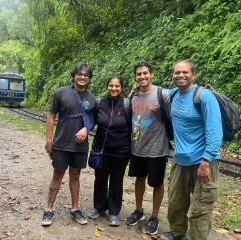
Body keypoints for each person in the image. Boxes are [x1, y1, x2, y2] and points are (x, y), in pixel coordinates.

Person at [160, 61, 222, 240]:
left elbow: (214, 130)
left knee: (201, 205)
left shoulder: (204, 97)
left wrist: (206, 160)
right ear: (173, 76)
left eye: (185, 72)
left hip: (203, 161)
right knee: (176, 200)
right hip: (180, 159)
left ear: (193, 75)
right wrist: (137, 86)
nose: (180, 75)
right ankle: (178, 232)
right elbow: (156, 90)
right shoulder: (173, 95)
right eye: (177, 73)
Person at [42, 63, 96, 226]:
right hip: (61, 143)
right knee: (57, 175)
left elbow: (93, 120)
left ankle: (75, 209)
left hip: (80, 146)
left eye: (86, 75)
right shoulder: (61, 93)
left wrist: (86, 130)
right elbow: (51, 116)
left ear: (89, 78)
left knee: (75, 176)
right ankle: (49, 209)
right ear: (74, 75)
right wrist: (49, 139)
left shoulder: (92, 98)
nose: (82, 77)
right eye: (79, 74)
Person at [126, 61, 171, 235]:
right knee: (139, 179)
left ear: (151, 74)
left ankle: (154, 216)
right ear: (135, 77)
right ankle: (138, 211)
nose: (142, 76)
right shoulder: (133, 95)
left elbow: (170, 118)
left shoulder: (162, 94)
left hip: (157, 149)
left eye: (145, 73)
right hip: (137, 148)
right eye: (139, 74)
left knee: (157, 183)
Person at [87, 76, 131, 226]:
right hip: (101, 150)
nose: (114, 88)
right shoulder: (99, 103)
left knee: (117, 181)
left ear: (122, 88)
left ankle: (114, 211)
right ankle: (99, 207)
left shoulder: (127, 105)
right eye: (111, 85)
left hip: (121, 151)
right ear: (107, 87)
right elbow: (91, 121)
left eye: (117, 86)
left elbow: (132, 126)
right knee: (100, 179)